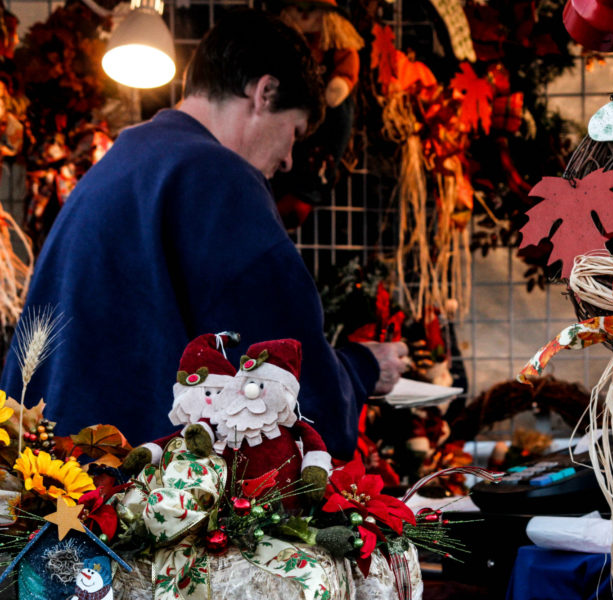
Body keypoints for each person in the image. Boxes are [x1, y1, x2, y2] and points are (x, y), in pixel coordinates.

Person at [0, 9, 407, 460]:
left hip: (49, 491)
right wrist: (363, 366)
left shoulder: (118, 164)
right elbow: (283, 379)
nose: (290, 159)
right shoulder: (218, 177)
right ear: (263, 92)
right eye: (293, 132)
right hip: (139, 504)